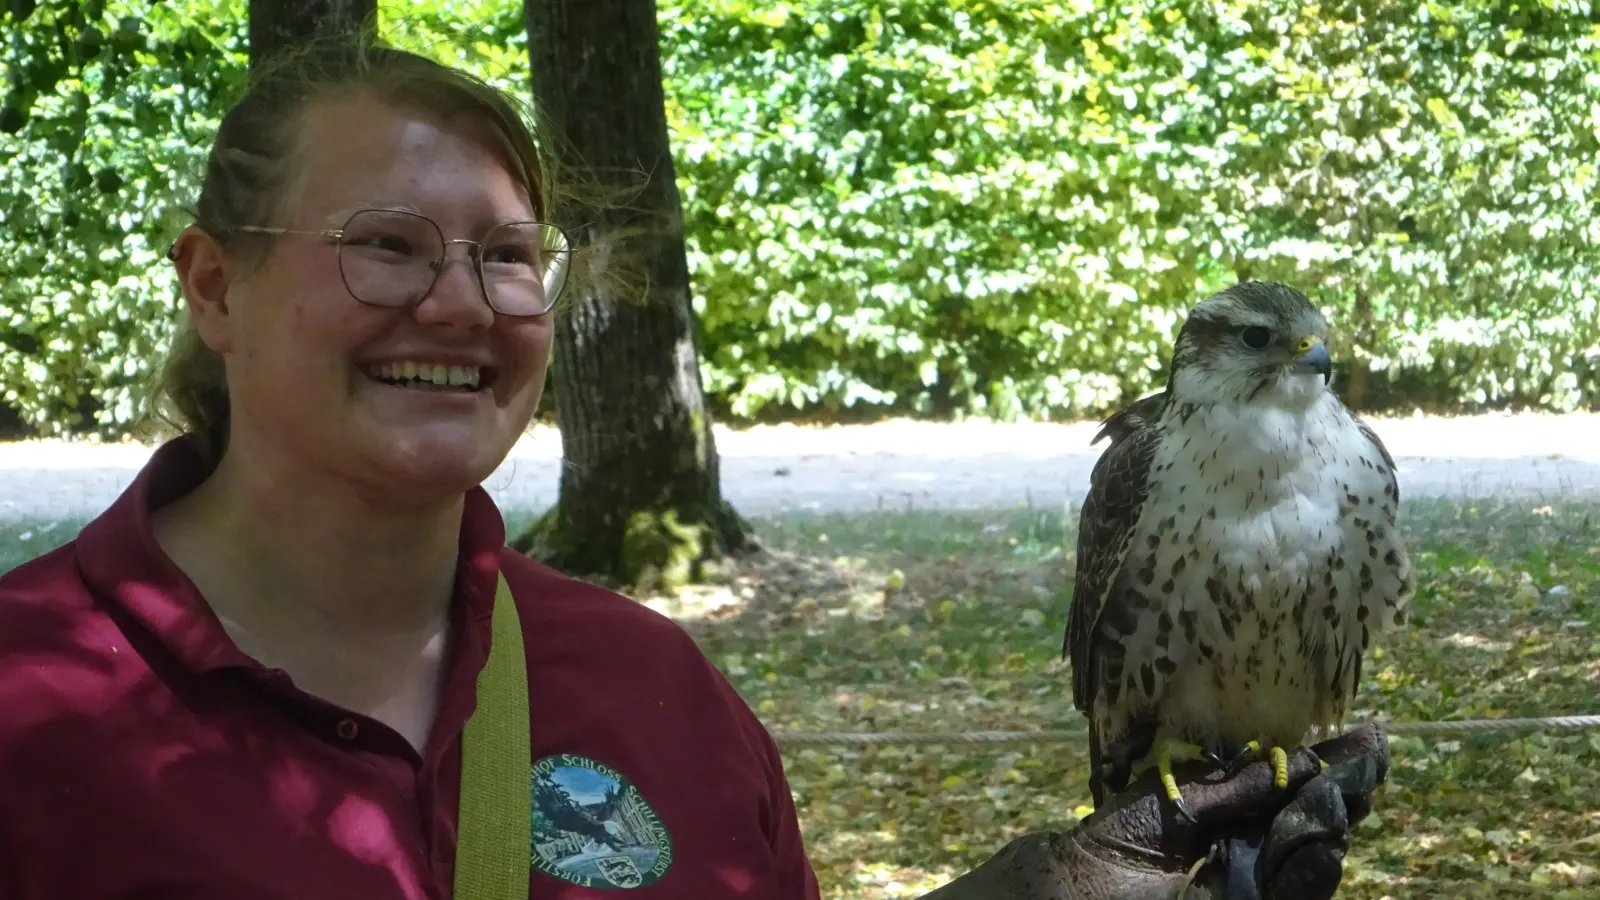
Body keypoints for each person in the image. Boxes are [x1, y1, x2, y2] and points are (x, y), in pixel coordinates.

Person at [0, 36, 1387, 899]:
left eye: (507, 256)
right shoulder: (31, 709)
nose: (464, 305)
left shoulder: (654, 692)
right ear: (212, 286)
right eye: (386, 244)